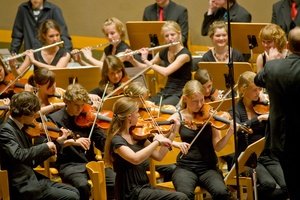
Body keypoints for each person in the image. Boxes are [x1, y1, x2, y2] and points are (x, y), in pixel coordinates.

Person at [104, 96, 189, 200]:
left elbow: (159, 156)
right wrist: (157, 141)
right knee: (180, 198)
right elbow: (135, 159)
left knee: (180, 197)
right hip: (129, 192)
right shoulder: (116, 140)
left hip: (144, 187)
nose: (139, 115)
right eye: (137, 112)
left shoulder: (136, 135)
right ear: (129, 116)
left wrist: (173, 132)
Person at [0, 91, 79, 200]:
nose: (35, 117)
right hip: (22, 186)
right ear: (23, 114)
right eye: (33, 114)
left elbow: (32, 159)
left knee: (74, 191)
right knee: (72, 197)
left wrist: (57, 143)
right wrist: (45, 147)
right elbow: (19, 155)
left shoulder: (22, 126)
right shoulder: (5, 130)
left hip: (32, 179)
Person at [168, 80, 234, 200]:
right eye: (195, 101)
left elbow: (217, 147)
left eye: (202, 100)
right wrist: (176, 143)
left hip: (208, 168)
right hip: (185, 168)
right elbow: (159, 139)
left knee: (222, 193)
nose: (199, 105)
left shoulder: (210, 115)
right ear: (185, 99)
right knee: (184, 195)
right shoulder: (178, 117)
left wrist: (229, 133)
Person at [254, 27, 300, 200]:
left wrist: (272, 62)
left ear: (288, 44)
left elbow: (258, 79)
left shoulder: (273, 67)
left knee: (292, 182)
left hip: (282, 136)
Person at [47, 83, 115, 200]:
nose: (80, 109)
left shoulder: (88, 117)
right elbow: (53, 147)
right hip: (69, 165)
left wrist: (111, 135)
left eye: (82, 105)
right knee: (82, 186)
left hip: (91, 162)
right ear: (66, 102)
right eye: (76, 105)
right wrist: (73, 141)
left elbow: (101, 142)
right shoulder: (55, 119)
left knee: (114, 181)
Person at [230, 71, 288, 199]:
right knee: (268, 184)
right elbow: (240, 128)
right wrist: (259, 119)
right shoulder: (236, 110)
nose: (258, 93)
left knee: (287, 186)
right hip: (248, 158)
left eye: (259, 89)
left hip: (268, 155)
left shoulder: (263, 104)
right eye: (254, 90)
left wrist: (272, 108)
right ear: (243, 90)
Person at [129, 21, 192, 106]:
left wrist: (146, 60)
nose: (170, 38)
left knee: (158, 108)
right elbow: (145, 68)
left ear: (179, 34)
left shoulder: (184, 54)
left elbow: (166, 72)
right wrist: (131, 59)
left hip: (180, 94)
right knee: (143, 104)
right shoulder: (164, 52)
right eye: (166, 36)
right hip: (166, 91)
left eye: (172, 35)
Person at [72, 17, 139, 68]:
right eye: (107, 34)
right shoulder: (107, 49)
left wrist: (89, 57)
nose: (109, 37)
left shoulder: (124, 50)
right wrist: (80, 61)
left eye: (112, 33)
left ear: (120, 32)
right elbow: (99, 68)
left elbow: (108, 67)